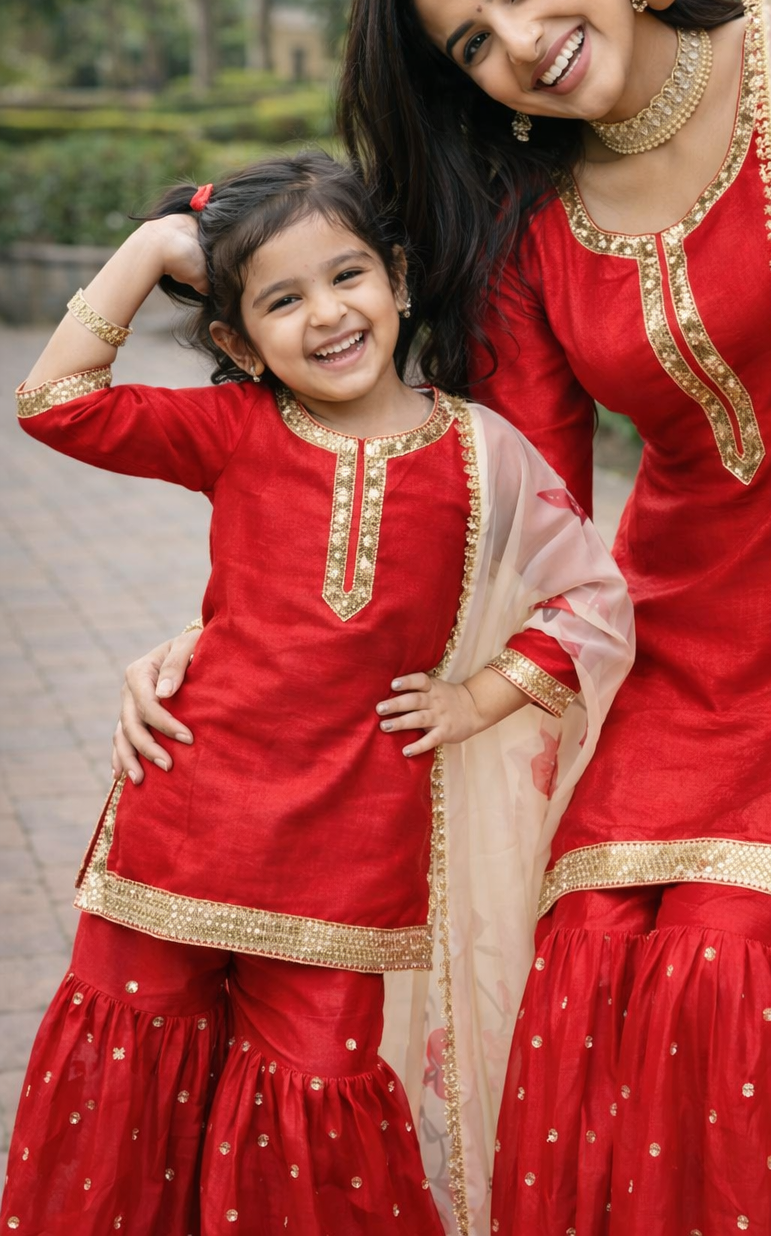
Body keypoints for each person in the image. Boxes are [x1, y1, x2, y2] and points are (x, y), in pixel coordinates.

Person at [118, 0, 771, 1236]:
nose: (520, 44)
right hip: (674, 645)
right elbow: (493, 509)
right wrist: (238, 643)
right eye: (472, 45)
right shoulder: (532, 226)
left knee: (730, 967)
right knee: (586, 964)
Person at [2, 149, 633, 1236]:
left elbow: (590, 596)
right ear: (239, 344)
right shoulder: (234, 430)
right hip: (183, 818)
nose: (328, 315)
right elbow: (55, 403)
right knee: (131, 1082)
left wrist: (480, 697)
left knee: (315, 1099)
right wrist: (150, 248)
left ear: (398, 279)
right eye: (282, 300)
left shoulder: (482, 454)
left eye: (347, 276)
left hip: (352, 854)